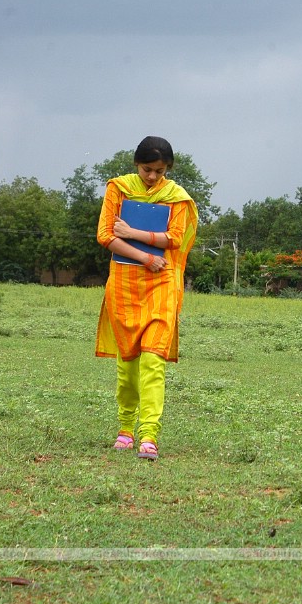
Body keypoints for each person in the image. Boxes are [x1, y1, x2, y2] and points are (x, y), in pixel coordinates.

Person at [95, 136, 198, 460]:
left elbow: (176, 239)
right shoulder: (119, 189)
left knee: (153, 360)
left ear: (167, 168)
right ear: (135, 163)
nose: (152, 176)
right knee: (128, 364)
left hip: (162, 282)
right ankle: (126, 429)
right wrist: (144, 257)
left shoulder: (177, 198)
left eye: (159, 170)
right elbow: (105, 236)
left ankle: (149, 436)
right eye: (146, 169)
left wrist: (133, 234)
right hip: (125, 284)